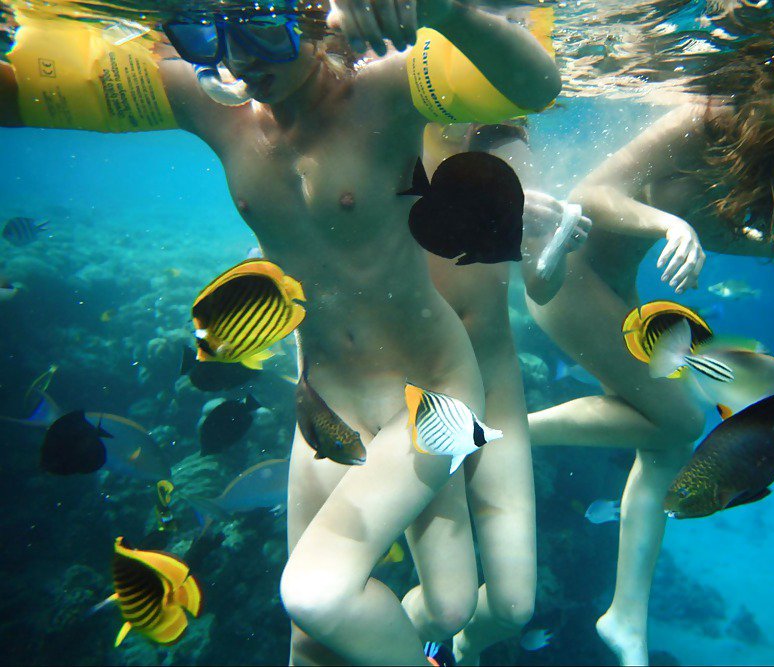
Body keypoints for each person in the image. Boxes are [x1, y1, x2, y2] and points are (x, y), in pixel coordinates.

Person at [1, 0, 560, 663]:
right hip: (324, 402)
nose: (238, 59)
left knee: (345, 599)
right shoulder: (211, 103)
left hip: (432, 391)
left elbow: (535, 86)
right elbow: (28, 93)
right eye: (205, 33)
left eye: (263, 30)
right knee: (335, 633)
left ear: (314, 19)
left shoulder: (381, 93)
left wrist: (443, 9)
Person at [526, 46, 774, 665]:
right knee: (679, 421)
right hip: (570, 278)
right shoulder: (705, 116)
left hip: (613, 288)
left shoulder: (772, 149)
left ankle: (625, 615)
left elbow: (718, 228)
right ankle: (499, 435)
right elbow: (592, 194)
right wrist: (669, 227)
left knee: (667, 439)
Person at [420, 119, 591, 663]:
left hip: (491, 372)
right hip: (415, 378)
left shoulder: (507, 143)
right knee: (444, 601)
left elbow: (540, 284)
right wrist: (489, 208)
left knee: (515, 606)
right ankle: (401, 647)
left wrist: (559, 242)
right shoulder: (395, 123)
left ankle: (462, 651)